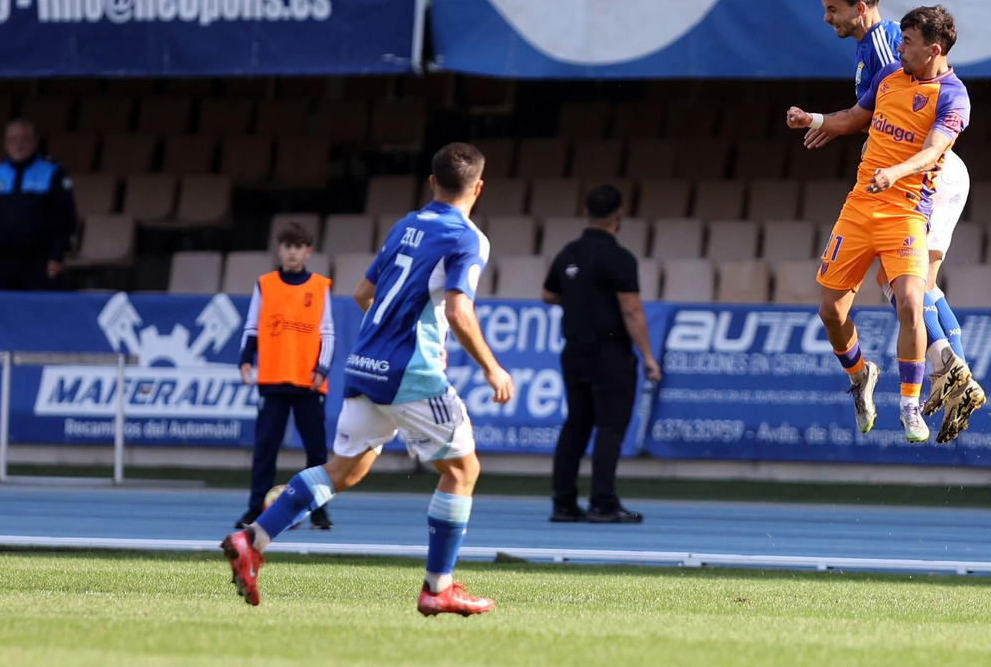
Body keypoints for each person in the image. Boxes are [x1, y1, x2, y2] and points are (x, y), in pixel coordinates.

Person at [222, 143, 515, 618]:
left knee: (346, 470)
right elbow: (460, 310)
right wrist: (491, 367)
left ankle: (252, 538)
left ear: (430, 182)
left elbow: (363, 294)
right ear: (478, 188)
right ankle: (437, 588)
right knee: (462, 471)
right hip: (409, 372)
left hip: (364, 364)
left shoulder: (406, 225)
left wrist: (403, 334)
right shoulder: (468, 237)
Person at [786, 4, 984, 445]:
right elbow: (856, 118)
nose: (899, 46)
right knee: (831, 312)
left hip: (908, 210)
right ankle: (861, 376)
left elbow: (934, 151)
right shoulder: (890, 76)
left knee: (911, 300)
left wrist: (895, 173)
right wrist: (815, 120)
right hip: (860, 206)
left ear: (934, 50)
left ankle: (912, 403)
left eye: (908, 41)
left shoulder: (953, 96)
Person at [541, 185, 662, 524]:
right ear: (619, 215)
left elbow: (548, 295)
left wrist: (580, 299)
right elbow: (632, 310)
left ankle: (563, 503)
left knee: (576, 424)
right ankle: (602, 503)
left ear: (586, 212)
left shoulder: (568, 252)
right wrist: (649, 357)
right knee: (609, 427)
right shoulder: (619, 258)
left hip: (574, 351)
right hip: (610, 353)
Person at [235, 221, 336, 531]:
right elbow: (252, 325)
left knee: (316, 450)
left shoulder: (319, 286)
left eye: (298, 247)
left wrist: (322, 368)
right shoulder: (265, 284)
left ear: (308, 251)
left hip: (308, 381)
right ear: (279, 250)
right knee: (266, 447)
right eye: (287, 247)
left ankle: (319, 512)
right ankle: (255, 509)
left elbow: (327, 332)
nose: (292, 253)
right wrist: (246, 359)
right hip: (273, 378)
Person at [0, 119, 76, 290]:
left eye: (24, 138)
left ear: (34, 142)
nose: (19, 144)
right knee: (6, 312)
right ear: (6, 143)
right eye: (13, 139)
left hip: (41, 261)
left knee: (41, 312)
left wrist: (57, 256)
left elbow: (65, 218)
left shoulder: (52, 171)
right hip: (4, 261)